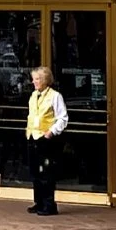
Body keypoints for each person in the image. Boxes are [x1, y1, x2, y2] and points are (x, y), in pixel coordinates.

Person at [25, 64, 69, 215]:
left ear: (44, 80)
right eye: (33, 79)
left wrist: (51, 132)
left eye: (37, 79)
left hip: (46, 139)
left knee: (46, 173)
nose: (34, 82)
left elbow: (62, 118)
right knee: (35, 173)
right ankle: (39, 202)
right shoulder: (33, 95)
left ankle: (49, 205)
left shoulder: (55, 96)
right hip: (33, 137)